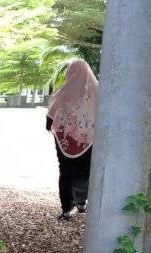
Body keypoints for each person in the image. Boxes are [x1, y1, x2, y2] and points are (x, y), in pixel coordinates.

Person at [45, 59, 98, 220]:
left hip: (64, 139)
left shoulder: (64, 91)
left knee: (66, 171)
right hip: (88, 138)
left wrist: (51, 127)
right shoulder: (97, 91)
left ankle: (67, 208)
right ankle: (82, 202)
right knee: (86, 170)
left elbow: (51, 115)